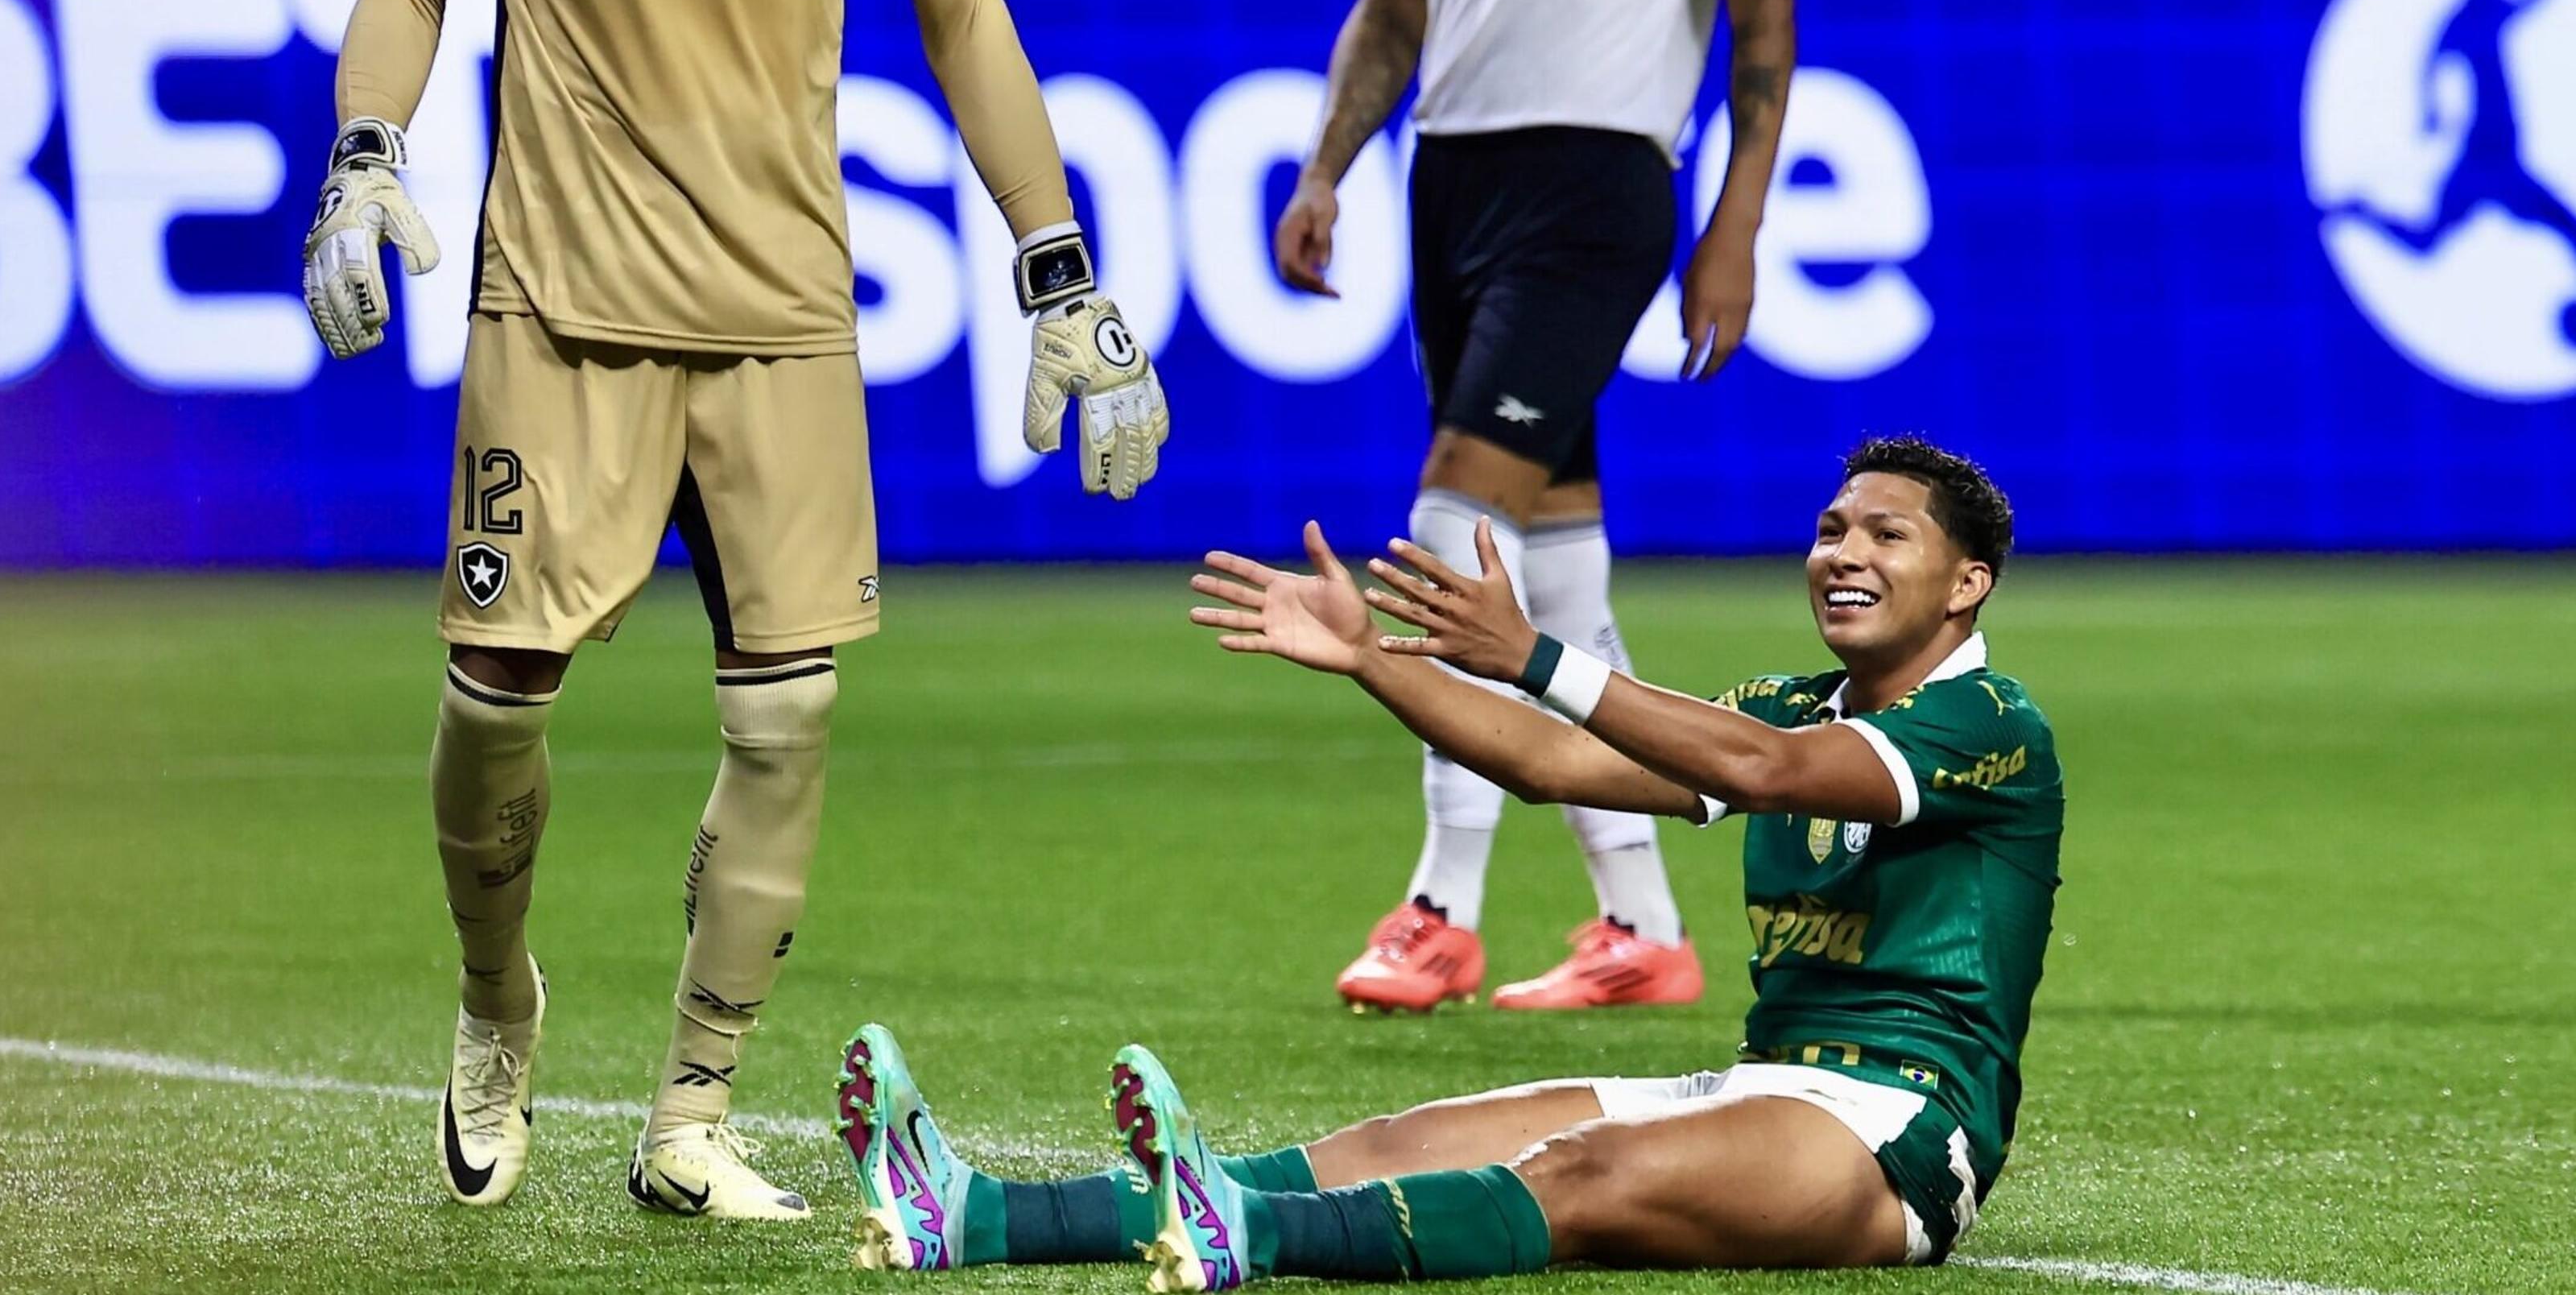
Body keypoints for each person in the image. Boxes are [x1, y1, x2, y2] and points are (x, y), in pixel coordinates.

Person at [294, 0, 1168, 1222]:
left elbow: (963, 15)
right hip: (559, 301)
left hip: (778, 312)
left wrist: (1056, 272)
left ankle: (690, 1114)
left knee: (783, 722)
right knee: (493, 699)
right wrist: (363, 159)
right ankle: (491, 999)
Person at [837, 436, 2060, 1277]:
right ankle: (978, 1212)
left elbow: (1768, 775)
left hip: (1901, 1135)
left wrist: (1534, 652)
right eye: (1830, 526)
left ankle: (1244, 1236)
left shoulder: (1989, 723)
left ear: (1967, 582)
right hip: (1762, 1086)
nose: (1842, 551)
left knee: (1585, 1176)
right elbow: (1550, 766)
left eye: (1884, 535)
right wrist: (1381, 659)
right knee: (1401, 1138)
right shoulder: (1792, 702)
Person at [1271, 0, 1797, 1012]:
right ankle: (1641, 932)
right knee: (1551, 567)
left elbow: (1763, 13)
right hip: (1456, 178)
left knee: (1450, 525)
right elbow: (1395, 3)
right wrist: (1326, 166)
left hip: (1597, 183)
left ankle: (1442, 902)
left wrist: (1735, 225)